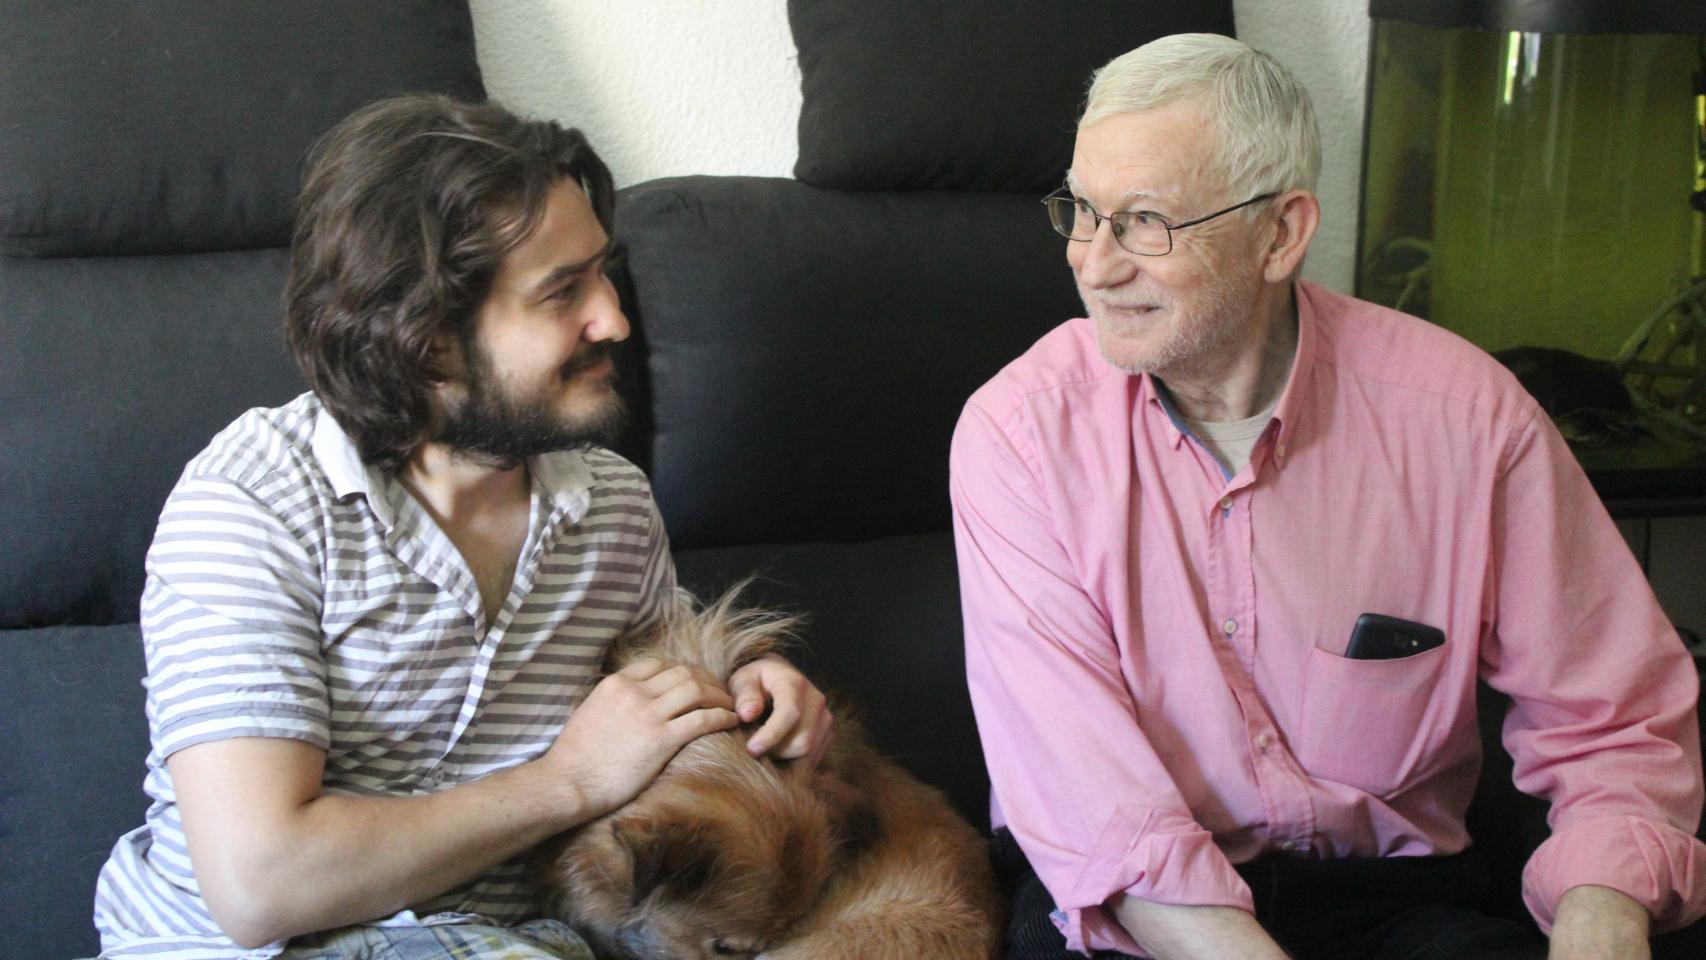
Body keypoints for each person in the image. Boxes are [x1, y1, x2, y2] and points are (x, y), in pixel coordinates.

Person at [950, 33, 1706, 960]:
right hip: (1132, 910)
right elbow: (1092, 810)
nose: (1093, 263)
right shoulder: (1020, 436)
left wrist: (1601, 915)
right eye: (1082, 210)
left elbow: (1615, 719)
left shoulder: (1466, 420)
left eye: (1145, 221)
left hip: (1394, 893)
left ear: (1281, 233)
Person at [91, 94, 832, 960]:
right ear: (426, 341)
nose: (615, 320)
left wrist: (750, 683)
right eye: (563, 292)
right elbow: (262, 885)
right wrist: (570, 781)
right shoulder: (255, 505)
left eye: (604, 272)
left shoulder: (614, 508)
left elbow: (659, 693)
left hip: (517, 939)